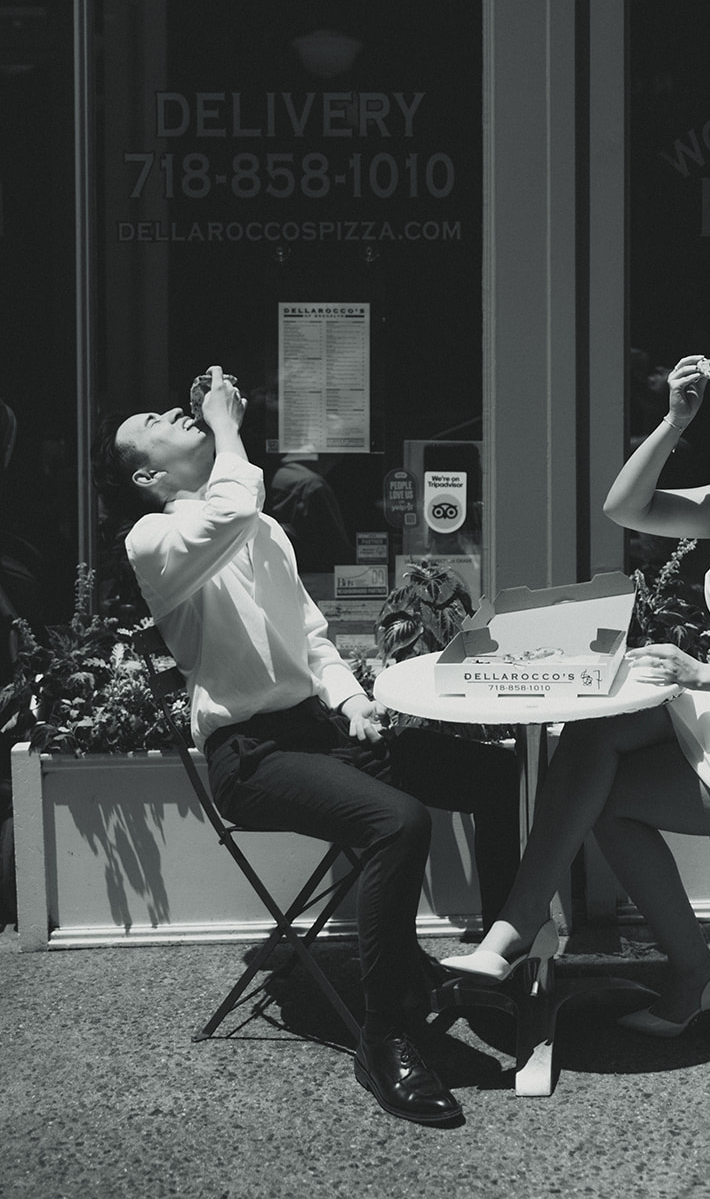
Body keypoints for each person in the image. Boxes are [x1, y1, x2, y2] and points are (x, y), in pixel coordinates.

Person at [91, 368, 519, 1126]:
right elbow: (223, 511)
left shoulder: (259, 525)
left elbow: (310, 634)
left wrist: (351, 701)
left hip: (317, 733)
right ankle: (386, 1036)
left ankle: (494, 964)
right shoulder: (154, 538)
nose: (173, 411)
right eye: (155, 418)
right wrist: (225, 425)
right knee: (398, 821)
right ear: (147, 474)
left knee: (491, 773)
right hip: (250, 756)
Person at [441, 355, 710, 1037]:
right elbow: (626, 507)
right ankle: (521, 928)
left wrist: (697, 673)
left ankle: (675, 970)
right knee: (591, 738)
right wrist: (675, 418)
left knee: (604, 800)